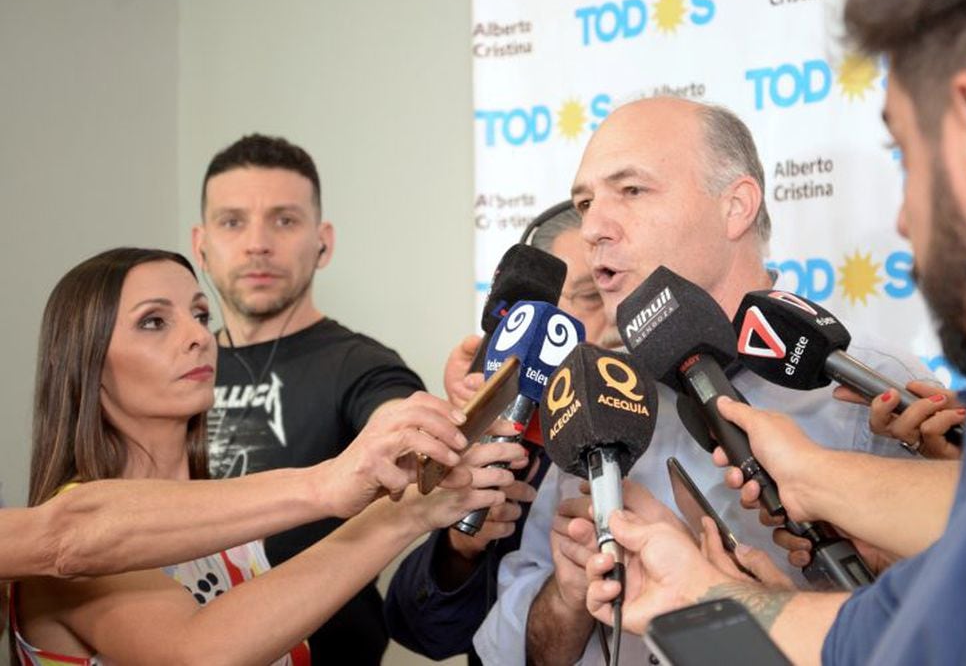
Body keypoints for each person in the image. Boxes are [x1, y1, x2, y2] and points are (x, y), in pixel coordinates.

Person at [584, 0, 966, 663]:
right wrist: (707, 596)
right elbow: (879, 630)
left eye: (903, 155)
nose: (901, 216)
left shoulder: (863, 400)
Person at [473, 97, 936, 665]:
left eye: (632, 191)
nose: (592, 227)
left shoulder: (872, 389)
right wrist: (568, 597)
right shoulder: (587, 395)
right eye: (586, 202)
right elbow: (515, 653)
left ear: (736, 206)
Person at [8, 247, 510, 664]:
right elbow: (199, 652)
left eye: (201, 315)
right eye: (154, 321)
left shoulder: (227, 532)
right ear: (86, 361)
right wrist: (402, 512)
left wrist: (428, 489)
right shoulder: (77, 544)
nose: (198, 336)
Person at [191, 134, 432, 663]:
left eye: (284, 220)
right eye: (233, 222)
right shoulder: (177, 368)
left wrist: (415, 431)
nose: (258, 243)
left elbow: (401, 424)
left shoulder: (360, 364)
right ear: (200, 245)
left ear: (323, 241)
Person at [384, 202, 611, 664]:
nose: (610, 319)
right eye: (589, 297)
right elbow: (422, 632)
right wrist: (461, 548)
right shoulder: (509, 439)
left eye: (620, 289)